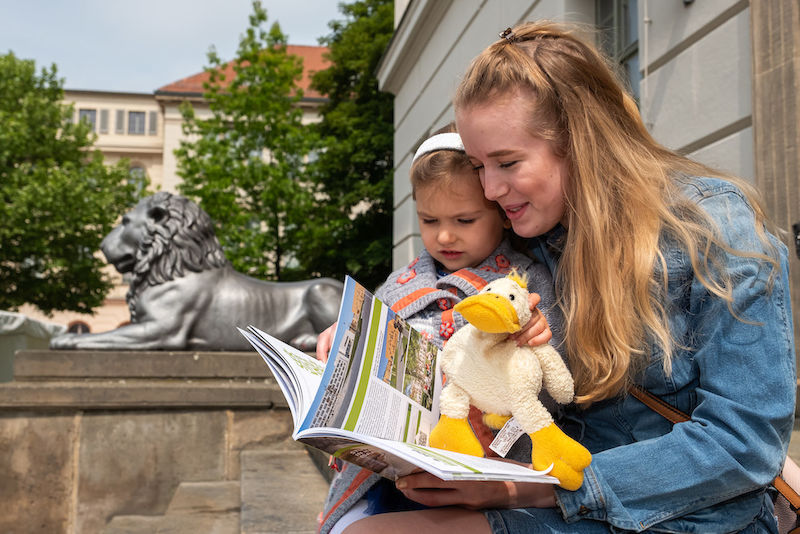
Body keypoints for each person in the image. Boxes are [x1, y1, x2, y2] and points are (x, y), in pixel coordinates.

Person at [341, 21, 796, 534]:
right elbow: (440, 291)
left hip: (692, 517)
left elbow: (743, 444)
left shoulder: (713, 227)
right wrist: (363, 339)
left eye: (507, 163)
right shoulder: (533, 232)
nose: (489, 189)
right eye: (478, 165)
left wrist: (531, 486)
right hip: (549, 489)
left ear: (579, 141)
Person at [318, 123, 559, 534]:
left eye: (464, 219)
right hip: (395, 472)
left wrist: (534, 333)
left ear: (501, 214)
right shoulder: (398, 285)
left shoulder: (527, 282)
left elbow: (553, 376)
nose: (444, 235)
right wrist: (345, 339)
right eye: (429, 220)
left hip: (490, 469)